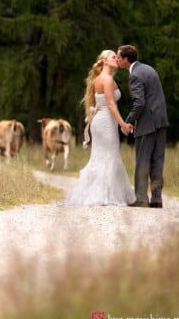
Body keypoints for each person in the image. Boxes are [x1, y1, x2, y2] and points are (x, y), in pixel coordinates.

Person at [63, 50, 136, 206]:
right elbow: (110, 104)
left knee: (101, 156)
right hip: (105, 122)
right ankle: (106, 196)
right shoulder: (107, 79)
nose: (117, 58)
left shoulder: (100, 79)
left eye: (117, 57)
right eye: (113, 57)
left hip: (101, 121)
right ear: (104, 61)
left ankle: (100, 194)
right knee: (110, 156)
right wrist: (123, 124)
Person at [117, 44, 168, 208]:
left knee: (143, 160)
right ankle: (157, 199)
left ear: (126, 59)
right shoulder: (149, 69)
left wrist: (129, 121)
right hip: (161, 120)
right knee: (157, 160)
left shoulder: (135, 76)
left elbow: (139, 103)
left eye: (118, 57)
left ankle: (141, 198)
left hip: (147, 122)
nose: (117, 59)